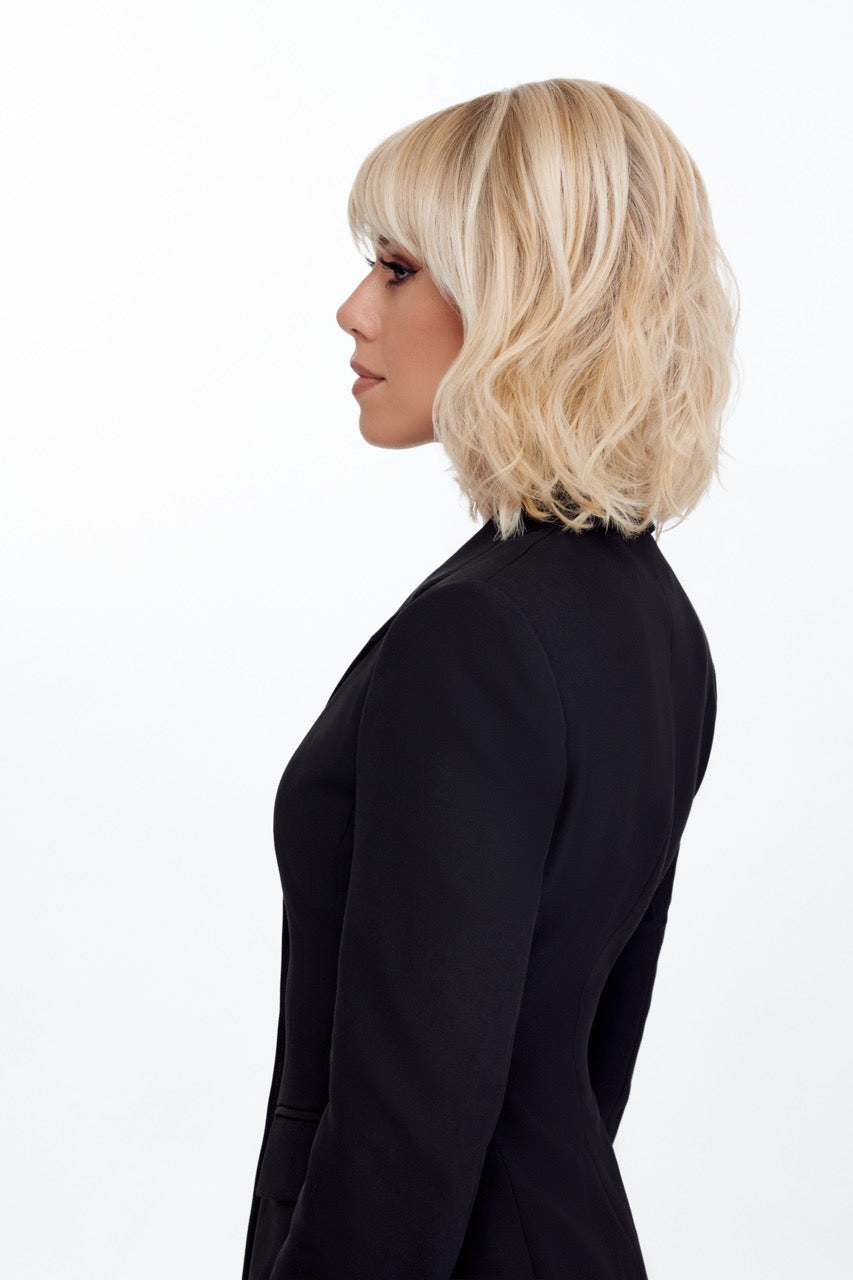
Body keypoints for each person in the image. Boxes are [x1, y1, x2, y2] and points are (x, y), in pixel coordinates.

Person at [241, 77, 738, 1280]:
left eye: (398, 269)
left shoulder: (476, 638)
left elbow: (401, 1137)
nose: (353, 309)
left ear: (521, 297)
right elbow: (592, 1055)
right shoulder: (654, 618)